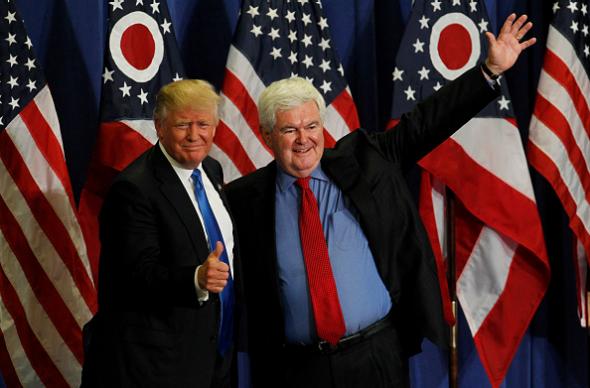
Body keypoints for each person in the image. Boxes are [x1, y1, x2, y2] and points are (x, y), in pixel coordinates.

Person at [225, 13, 535, 388]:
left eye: (311, 126)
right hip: (296, 370)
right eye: (290, 129)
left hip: (376, 357)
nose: (303, 139)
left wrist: (488, 71)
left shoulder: (366, 160)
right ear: (267, 135)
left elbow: (425, 123)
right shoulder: (242, 200)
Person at [81, 79, 241, 388]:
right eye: (183, 125)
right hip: (159, 365)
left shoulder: (212, 170)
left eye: (203, 124)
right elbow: (136, 276)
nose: (195, 135)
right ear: (160, 126)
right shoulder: (134, 189)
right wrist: (196, 278)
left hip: (212, 350)